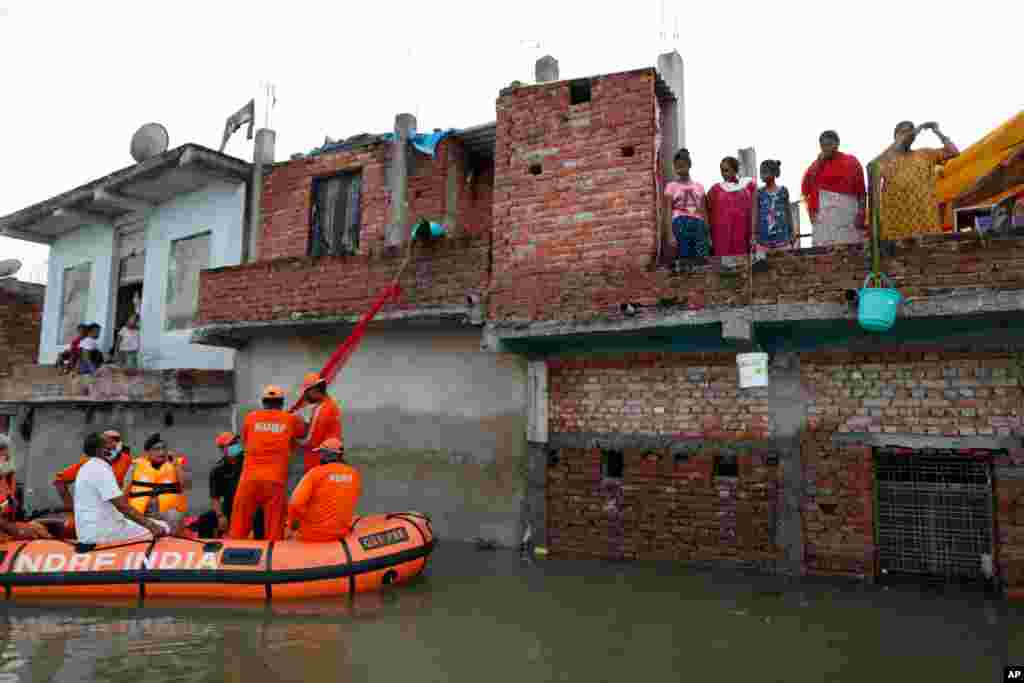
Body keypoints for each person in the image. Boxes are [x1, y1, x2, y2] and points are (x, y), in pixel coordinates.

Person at [229, 386, 307, 541]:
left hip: (249, 479)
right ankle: (273, 557)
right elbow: (303, 432)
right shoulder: (290, 420)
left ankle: (232, 555)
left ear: (263, 403)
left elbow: (245, 441)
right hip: (275, 481)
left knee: (239, 524)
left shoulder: (251, 418)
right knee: (274, 527)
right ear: (282, 403)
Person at [72, 432, 168, 544]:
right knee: (164, 527)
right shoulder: (100, 470)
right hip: (104, 532)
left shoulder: (87, 467)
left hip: (90, 531)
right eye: (110, 443)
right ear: (101, 450)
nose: (115, 446)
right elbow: (122, 506)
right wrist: (152, 526)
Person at [872, 120, 960, 240]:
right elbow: (872, 169)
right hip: (897, 223)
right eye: (903, 132)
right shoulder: (885, 160)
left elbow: (953, 152)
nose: (908, 135)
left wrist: (937, 131)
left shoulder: (925, 153)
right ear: (895, 136)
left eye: (910, 132)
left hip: (925, 220)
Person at [190, 432, 265, 539]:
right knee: (205, 519)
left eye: (236, 442)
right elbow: (215, 498)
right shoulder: (218, 470)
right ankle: (208, 550)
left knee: (260, 515)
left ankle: (262, 546)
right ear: (222, 449)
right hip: (229, 509)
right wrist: (220, 516)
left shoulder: (250, 463)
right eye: (231, 444)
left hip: (250, 507)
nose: (236, 445)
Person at [286, 438, 361, 543]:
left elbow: (295, 504)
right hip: (340, 533)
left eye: (321, 453)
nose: (319, 456)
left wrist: (292, 525)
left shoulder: (315, 473)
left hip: (312, 534)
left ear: (326, 454)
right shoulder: (354, 474)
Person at [801, 130, 867, 247]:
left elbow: (861, 191)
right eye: (822, 145)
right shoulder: (815, 166)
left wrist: (861, 213)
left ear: (837, 143)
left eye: (829, 144)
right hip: (823, 221)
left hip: (847, 217)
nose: (826, 148)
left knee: (850, 253)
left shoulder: (851, 161)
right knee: (824, 255)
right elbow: (805, 190)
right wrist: (818, 163)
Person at [123, 433, 190, 534]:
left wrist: (177, 466)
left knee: (175, 516)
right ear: (147, 452)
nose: (161, 452)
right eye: (157, 449)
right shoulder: (135, 466)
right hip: (141, 510)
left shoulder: (175, 464)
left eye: (163, 449)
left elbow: (186, 486)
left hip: (167, 510)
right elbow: (125, 491)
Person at [663, 148, 711, 273]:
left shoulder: (699, 187)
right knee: (683, 261)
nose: (680, 168)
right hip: (680, 224)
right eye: (677, 166)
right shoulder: (671, 186)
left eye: (683, 165)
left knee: (700, 262)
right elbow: (667, 211)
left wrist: (708, 234)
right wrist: (670, 235)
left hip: (698, 225)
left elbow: (704, 211)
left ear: (689, 165)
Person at [0, 435, 52, 541]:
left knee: (39, 529)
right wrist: (17, 530)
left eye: (7, 457)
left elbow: (12, 514)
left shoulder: (8, 480)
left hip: (8, 534)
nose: (7, 460)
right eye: (4, 456)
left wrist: (26, 525)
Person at [707, 156, 756, 265]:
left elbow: (754, 209)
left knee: (742, 266)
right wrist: (708, 235)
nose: (723, 174)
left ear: (735, 170)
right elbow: (708, 210)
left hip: (742, 234)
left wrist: (753, 233)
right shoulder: (715, 189)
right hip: (722, 236)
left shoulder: (748, 185)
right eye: (722, 170)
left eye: (726, 170)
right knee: (724, 268)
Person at [753, 160, 795, 271]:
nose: (762, 175)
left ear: (774, 173)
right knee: (761, 265)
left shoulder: (783, 191)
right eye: (761, 172)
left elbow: (788, 212)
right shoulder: (759, 193)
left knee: (785, 264)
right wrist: (753, 234)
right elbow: (755, 214)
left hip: (782, 236)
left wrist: (792, 232)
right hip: (763, 237)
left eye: (765, 172)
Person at [298, 372, 342, 474]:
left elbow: (310, 441)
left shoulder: (321, 410)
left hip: (318, 463)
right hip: (330, 459)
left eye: (306, 392)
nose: (305, 396)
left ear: (314, 390)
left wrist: (289, 437)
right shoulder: (331, 405)